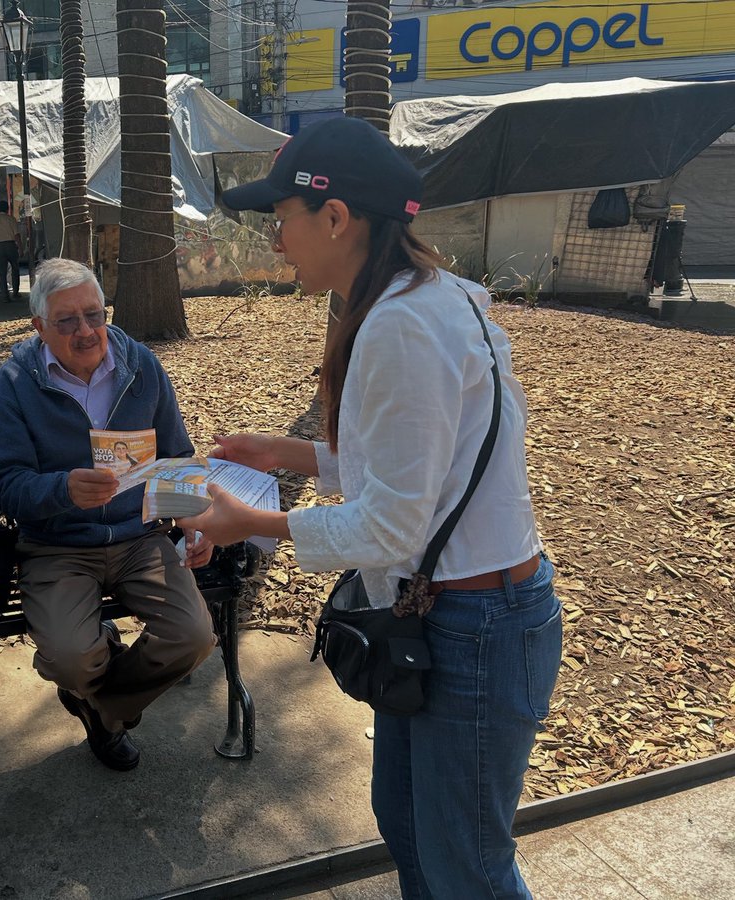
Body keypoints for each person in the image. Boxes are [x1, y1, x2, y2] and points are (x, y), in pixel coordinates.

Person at [180, 117, 562, 899]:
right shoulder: (436, 296)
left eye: (281, 218)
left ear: (335, 217)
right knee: (411, 826)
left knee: (468, 869)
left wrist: (248, 524)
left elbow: (392, 523)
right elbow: (415, 472)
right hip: (449, 613)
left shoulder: (398, 324)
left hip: (472, 626)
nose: (276, 240)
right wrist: (284, 453)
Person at [0, 257, 217, 771]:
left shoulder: (141, 366)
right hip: (57, 544)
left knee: (194, 637)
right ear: (39, 327)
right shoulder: (14, 383)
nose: (86, 331)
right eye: (66, 321)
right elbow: (5, 485)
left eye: (95, 314)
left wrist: (192, 521)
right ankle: (98, 678)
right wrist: (62, 490)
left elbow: (175, 454)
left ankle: (104, 712)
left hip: (139, 537)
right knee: (70, 656)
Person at [0, 199, 24, 303]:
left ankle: (5, 296)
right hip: (11, 245)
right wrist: (20, 248)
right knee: (15, 269)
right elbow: (17, 235)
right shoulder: (11, 219)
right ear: (7, 209)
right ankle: (15, 293)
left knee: (1, 272)